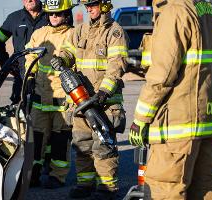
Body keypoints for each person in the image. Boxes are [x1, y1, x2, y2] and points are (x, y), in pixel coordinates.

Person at [128, 0, 212, 199]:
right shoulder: (206, 10)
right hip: (207, 122)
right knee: (204, 191)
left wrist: (140, 119)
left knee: (166, 190)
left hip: (178, 128)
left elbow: (162, 75)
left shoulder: (175, 12)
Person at [52, 0, 128, 199]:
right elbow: (69, 51)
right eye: (86, 6)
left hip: (104, 102)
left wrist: (103, 92)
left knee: (104, 147)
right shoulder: (80, 30)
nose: (89, 9)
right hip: (80, 100)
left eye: (93, 4)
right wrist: (62, 59)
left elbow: (117, 66)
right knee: (83, 145)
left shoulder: (114, 32)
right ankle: (85, 184)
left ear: (104, 5)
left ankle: (107, 189)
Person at [24, 0, 74, 189]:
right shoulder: (39, 34)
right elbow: (30, 57)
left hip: (62, 98)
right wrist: (28, 77)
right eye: (52, 14)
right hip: (40, 97)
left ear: (66, 14)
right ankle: (33, 174)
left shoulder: (72, 34)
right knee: (36, 140)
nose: (54, 17)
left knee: (60, 140)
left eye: (59, 14)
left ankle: (57, 176)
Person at [0, 0, 48, 104]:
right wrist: (6, 63)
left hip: (47, 78)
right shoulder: (14, 18)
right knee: (18, 112)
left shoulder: (52, 16)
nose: (29, 0)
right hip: (21, 78)